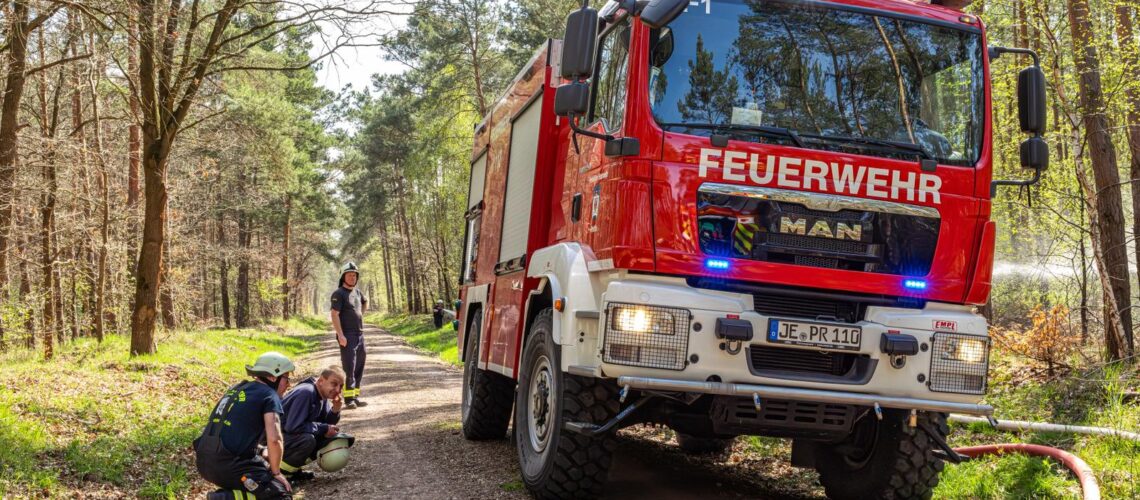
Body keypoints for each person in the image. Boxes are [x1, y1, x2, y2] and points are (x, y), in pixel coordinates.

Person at [195, 352, 295, 500]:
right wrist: (276, 473)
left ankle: (229, 495)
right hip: (229, 465)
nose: (289, 384)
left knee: (262, 482)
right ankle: (225, 498)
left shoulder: (238, 389)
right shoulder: (269, 395)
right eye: (286, 378)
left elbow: (230, 429)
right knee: (280, 493)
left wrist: (260, 450)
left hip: (204, 462)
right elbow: (275, 439)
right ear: (273, 377)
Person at [280, 366, 345, 481]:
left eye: (341, 386)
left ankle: (293, 470)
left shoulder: (321, 396)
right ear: (321, 381)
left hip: (286, 437)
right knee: (308, 440)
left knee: (326, 438)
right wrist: (324, 428)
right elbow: (293, 426)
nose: (338, 390)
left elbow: (325, 424)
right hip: (269, 441)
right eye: (334, 384)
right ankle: (281, 475)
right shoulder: (306, 392)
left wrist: (335, 409)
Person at [331, 262, 368, 409]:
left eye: (354, 275)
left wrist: (360, 314)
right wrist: (340, 334)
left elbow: (365, 302)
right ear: (343, 277)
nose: (352, 277)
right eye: (349, 275)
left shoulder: (357, 293)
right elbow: (334, 314)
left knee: (359, 365)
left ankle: (355, 396)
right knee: (349, 367)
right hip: (347, 335)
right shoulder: (338, 294)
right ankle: (348, 399)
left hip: (360, 334)